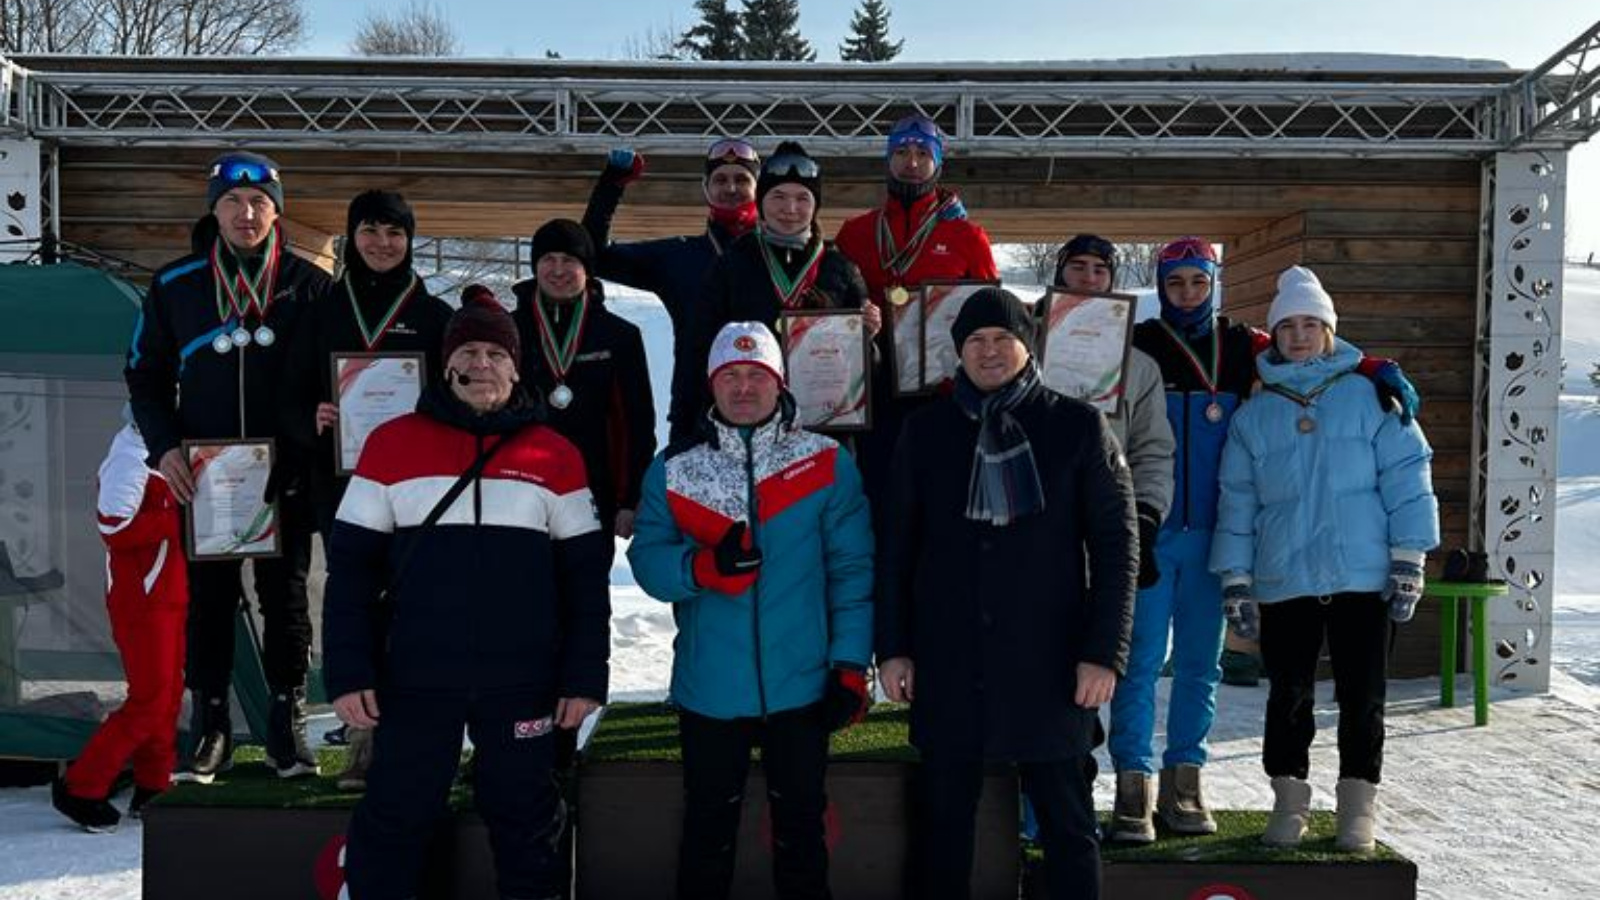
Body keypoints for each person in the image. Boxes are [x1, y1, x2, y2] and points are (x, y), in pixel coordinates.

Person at [1127, 236, 1423, 837]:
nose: (1187, 293)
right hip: (1151, 529)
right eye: (1176, 282)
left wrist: (1375, 367)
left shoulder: (1242, 346)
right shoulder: (1136, 346)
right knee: (1138, 663)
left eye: (1199, 281)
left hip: (1216, 534)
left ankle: (1186, 779)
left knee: (1198, 666)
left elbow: (1313, 349)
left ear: (1215, 284)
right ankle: (1134, 784)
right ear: (1161, 287)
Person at [323, 295, 612, 900]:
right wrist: (349, 672)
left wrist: (584, 676)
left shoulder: (555, 455)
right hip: (416, 675)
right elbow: (349, 571)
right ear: (444, 363)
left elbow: (585, 580)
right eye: (468, 352)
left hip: (522, 679)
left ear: (516, 367)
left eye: (495, 354)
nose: (482, 365)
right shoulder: (391, 444)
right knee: (396, 815)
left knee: (529, 823)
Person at [875, 288, 1136, 900]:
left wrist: (1105, 653)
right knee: (943, 828)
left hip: (1051, 664)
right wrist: (893, 647)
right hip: (950, 661)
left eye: (1002, 339)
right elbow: (896, 548)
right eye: (975, 342)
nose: (989, 352)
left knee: (1068, 828)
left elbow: (1118, 548)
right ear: (958, 353)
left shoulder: (1077, 426)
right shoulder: (926, 431)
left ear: (1028, 345)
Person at [628, 322, 874, 900]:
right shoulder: (675, 468)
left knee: (802, 832)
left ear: (779, 383)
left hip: (803, 686)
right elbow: (647, 560)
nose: (743, 388)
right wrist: (700, 570)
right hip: (710, 687)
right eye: (730, 376)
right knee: (708, 831)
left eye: (756, 375)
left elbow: (853, 571)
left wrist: (846, 664)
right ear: (711, 385)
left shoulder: (826, 462)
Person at [1211, 266, 1438, 853]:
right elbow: (1237, 502)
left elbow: (1408, 479)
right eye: (1289, 325)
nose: (1301, 334)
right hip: (1285, 577)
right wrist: (1236, 578)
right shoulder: (1253, 415)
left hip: (1363, 577)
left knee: (1363, 696)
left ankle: (1357, 807)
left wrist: (1409, 557)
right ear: (1275, 334)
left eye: (1312, 323)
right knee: (1288, 696)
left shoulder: (1373, 395)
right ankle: (1289, 803)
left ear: (1330, 330)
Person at [124, 151, 331, 781]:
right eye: (234, 203)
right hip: (205, 476)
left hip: (284, 472)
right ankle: (211, 723)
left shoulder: (309, 285)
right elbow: (144, 374)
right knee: (208, 603)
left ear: (277, 210)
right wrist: (164, 450)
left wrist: (318, 432)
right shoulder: (176, 286)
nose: (248, 214)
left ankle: (285, 719)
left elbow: (332, 374)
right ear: (214, 209)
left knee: (286, 601)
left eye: (261, 202)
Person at [1030, 234, 1174, 844]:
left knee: (1092, 668)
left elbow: (1153, 449)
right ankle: (1029, 806)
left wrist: (1142, 517)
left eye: (1099, 270)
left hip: (1102, 535)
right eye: (1076, 268)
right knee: (1033, 669)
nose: (1088, 278)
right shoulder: (1023, 346)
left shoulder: (1138, 365)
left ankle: (1075, 799)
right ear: (1058, 275)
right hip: (1029, 532)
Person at [832, 115, 998, 531]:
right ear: (888, 159)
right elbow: (829, 306)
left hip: (943, 397)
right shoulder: (855, 233)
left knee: (939, 517)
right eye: (902, 152)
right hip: (873, 400)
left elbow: (992, 316)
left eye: (923, 153)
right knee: (876, 514)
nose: (911, 162)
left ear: (938, 163)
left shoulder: (966, 236)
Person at [52, 417, 188, 832]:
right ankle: (82, 787)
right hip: (141, 602)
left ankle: (152, 784)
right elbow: (113, 527)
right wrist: (178, 519)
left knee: (166, 698)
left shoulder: (162, 451)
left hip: (166, 594)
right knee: (149, 700)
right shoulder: (129, 459)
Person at [683, 140, 876, 431]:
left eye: (802, 198)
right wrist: (693, 427)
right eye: (778, 197)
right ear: (760, 201)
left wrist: (868, 339)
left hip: (822, 428)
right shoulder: (731, 265)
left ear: (815, 206)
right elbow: (698, 352)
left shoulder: (841, 269)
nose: (790, 208)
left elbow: (869, 372)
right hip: (746, 426)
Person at [582, 138, 762, 444]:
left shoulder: (779, 258)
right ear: (706, 188)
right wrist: (611, 185)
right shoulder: (679, 256)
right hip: (696, 416)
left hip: (769, 414)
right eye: (720, 180)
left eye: (741, 179)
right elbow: (593, 256)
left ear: (759, 188)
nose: (731, 188)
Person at [511, 219, 656, 543]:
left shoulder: (620, 336)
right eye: (549, 259)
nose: (558, 270)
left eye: (570, 260)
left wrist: (629, 499)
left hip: (594, 494)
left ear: (587, 268)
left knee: (587, 587)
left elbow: (637, 423)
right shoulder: (508, 331)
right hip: (519, 489)